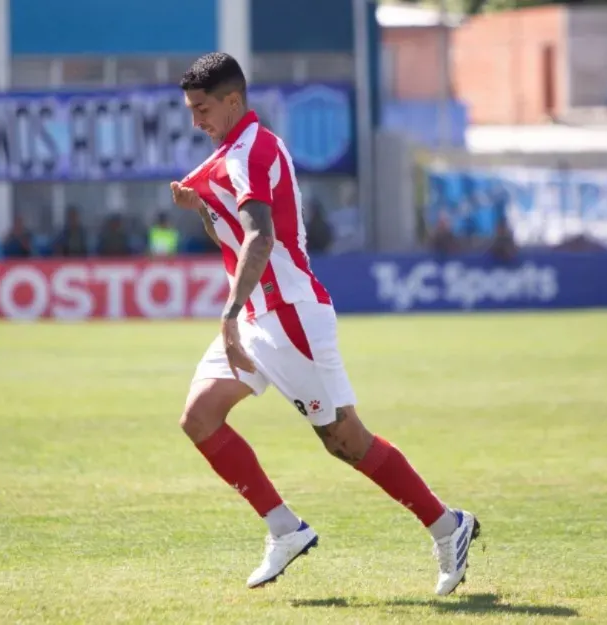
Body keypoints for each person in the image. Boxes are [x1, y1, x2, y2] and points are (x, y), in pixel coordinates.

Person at [169, 53, 479, 595]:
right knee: (199, 418)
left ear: (233, 101)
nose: (195, 119)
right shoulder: (231, 153)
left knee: (344, 440)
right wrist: (202, 207)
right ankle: (284, 528)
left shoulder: (251, 151)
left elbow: (260, 240)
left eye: (202, 108)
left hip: (289, 316)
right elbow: (235, 237)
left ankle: (447, 526)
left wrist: (227, 314)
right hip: (260, 316)